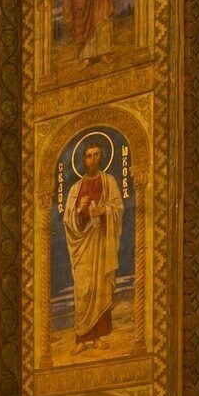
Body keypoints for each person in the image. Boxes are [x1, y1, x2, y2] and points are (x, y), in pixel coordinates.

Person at [59, 134, 126, 344]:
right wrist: (80, 211)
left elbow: (118, 207)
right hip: (83, 246)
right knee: (84, 290)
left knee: (100, 289)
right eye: (88, 156)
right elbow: (68, 220)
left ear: (102, 158)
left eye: (96, 155)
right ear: (83, 160)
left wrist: (102, 210)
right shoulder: (74, 190)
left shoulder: (109, 181)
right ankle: (81, 338)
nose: (92, 159)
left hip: (102, 242)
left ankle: (97, 338)